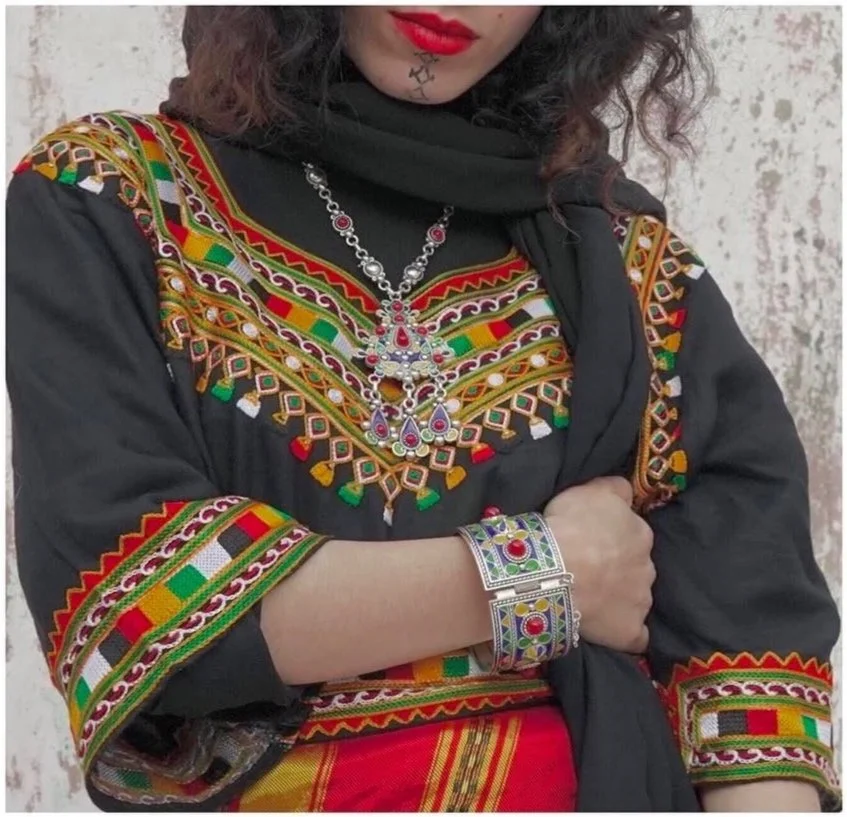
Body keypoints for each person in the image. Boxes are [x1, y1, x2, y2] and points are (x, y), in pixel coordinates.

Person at [6, 6, 839, 812]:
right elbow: (130, 611)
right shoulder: (115, 193)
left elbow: (749, 666)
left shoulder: (622, 263)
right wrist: (547, 572)